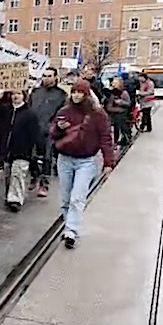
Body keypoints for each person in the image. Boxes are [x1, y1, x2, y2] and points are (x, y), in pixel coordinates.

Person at [50, 79, 115, 249]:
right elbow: (53, 134)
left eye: (80, 92)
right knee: (65, 198)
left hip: (86, 161)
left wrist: (108, 162)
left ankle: (71, 231)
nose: (76, 95)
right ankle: (68, 226)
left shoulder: (98, 115)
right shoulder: (64, 111)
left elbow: (106, 138)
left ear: (86, 94)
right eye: (74, 92)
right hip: (65, 159)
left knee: (77, 197)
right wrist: (59, 128)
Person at [0, 89, 41, 212]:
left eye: (19, 94)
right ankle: (9, 196)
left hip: (22, 150)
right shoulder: (7, 111)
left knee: (18, 174)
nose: (15, 96)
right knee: (8, 174)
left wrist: (32, 149)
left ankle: (15, 199)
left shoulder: (30, 114)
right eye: (13, 94)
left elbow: (34, 134)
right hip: (7, 149)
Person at [28, 67, 67, 198]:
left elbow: (62, 112)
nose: (46, 78)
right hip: (33, 129)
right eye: (44, 76)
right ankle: (34, 175)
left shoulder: (61, 94)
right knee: (30, 155)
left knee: (47, 157)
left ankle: (44, 184)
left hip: (49, 130)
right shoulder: (35, 92)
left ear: (55, 77)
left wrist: (54, 126)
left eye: (49, 76)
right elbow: (29, 107)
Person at [104, 77, 132, 146]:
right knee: (114, 127)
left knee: (120, 126)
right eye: (113, 82)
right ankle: (116, 141)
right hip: (112, 112)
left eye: (115, 83)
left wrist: (121, 102)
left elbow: (128, 103)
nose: (113, 84)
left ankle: (122, 139)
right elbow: (108, 103)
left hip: (121, 113)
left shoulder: (124, 93)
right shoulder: (111, 92)